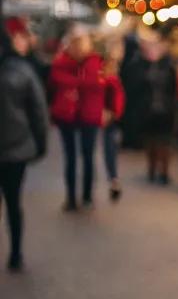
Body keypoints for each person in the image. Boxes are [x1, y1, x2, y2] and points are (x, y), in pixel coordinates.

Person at [0, 21, 48, 270]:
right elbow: (38, 111)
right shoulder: (22, 70)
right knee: (13, 203)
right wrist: (40, 144)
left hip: (14, 146)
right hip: (16, 147)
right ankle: (16, 253)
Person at [49, 27, 105, 211]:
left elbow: (102, 85)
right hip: (68, 114)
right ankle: (72, 197)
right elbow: (56, 82)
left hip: (89, 114)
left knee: (87, 156)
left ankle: (87, 195)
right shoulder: (62, 63)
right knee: (71, 157)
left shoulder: (96, 63)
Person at [138, 37, 178, 183]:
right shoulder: (142, 65)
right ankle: (151, 169)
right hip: (148, 110)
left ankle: (164, 172)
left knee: (165, 142)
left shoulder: (170, 68)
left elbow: (175, 90)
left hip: (165, 110)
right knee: (150, 141)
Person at [101, 47, 126, 201]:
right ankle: (113, 179)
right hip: (107, 119)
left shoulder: (112, 82)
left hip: (108, 121)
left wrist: (113, 114)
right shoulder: (111, 82)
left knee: (109, 150)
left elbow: (117, 103)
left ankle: (113, 179)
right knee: (109, 150)